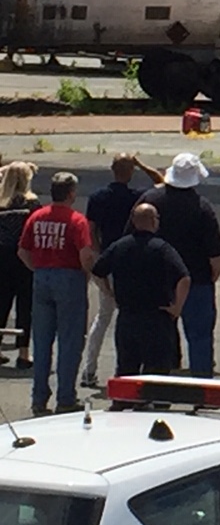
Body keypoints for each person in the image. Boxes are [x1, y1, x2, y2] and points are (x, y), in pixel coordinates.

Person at [137, 154, 220, 378]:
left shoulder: (150, 200)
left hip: (159, 280)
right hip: (197, 280)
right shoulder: (203, 208)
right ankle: (202, 388)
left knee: (160, 336)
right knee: (200, 338)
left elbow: (134, 237)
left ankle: (160, 384)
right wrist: (210, 277)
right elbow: (216, 254)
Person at [81, 153, 165, 389]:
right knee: (133, 317)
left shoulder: (98, 197)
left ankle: (89, 370)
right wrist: (142, 165)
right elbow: (161, 182)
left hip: (107, 258)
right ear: (130, 172)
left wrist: (98, 255)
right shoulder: (137, 197)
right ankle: (131, 371)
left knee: (103, 317)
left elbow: (91, 230)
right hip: (132, 261)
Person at [19, 171, 96, 416]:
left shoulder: (37, 217)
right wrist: (87, 274)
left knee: (42, 341)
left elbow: (23, 251)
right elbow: (85, 254)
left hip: (42, 276)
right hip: (69, 277)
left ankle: (39, 399)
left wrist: (38, 268)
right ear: (71, 193)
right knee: (70, 341)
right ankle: (65, 397)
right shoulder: (76, 220)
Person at [91, 203, 188, 376]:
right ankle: (154, 401)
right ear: (153, 221)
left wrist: (109, 292)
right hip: (156, 317)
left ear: (134, 222)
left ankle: (125, 400)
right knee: (157, 368)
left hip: (127, 316)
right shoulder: (162, 248)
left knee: (127, 367)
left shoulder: (120, 246)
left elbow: (98, 271)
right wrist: (177, 307)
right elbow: (184, 278)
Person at [0, 160, 39, 371]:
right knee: (25, 305)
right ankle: (23, 353)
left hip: (1, 257)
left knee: (1, 302)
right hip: (23, 257)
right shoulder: (32, 205)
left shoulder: (1, 202)